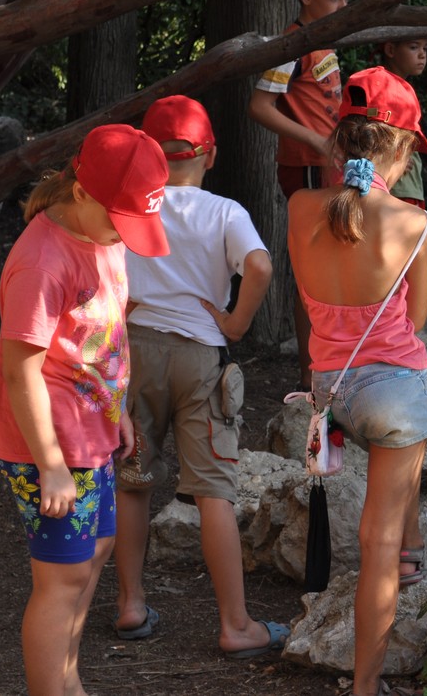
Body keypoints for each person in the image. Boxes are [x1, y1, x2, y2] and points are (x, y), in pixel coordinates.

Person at [0, 124, 169, 696]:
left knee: (94, 555)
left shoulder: (102, 234)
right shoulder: (42, 262)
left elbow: (102, 338)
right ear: (82, 192)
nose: (126, 235)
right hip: (51, 446)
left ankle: (68, 681)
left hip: (91, 433)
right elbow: (19, 371)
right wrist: (51, 464)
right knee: (62, 581)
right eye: (121, 220)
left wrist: (118, 409)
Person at [111, 95, 285, 658]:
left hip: (136, 354)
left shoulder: (129, 206)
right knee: (213, 491)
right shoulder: (226, 212)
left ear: (148, 155)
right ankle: (235, 625)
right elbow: (259, 265)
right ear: (209, 154)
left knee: (133, 479)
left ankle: (131, 604)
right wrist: (236, 323)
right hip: (199, 359)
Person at [287, 66, 427, 696]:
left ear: (338, 140)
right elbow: (416, 319)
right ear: (401, 150)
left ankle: (411, 544)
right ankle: (366, 687)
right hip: (392, 394)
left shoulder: (300, 208)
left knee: (391, 499)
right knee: (378, 542)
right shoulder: (413, 222)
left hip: (330, 388)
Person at [248, 0, 371, 392]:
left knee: (333, 261)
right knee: (314, 269)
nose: (343, 5)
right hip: (305, 167)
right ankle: (311, 373)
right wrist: (317, 142)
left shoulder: (323, 41)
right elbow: (259, 107)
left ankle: (327, 364)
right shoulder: (291, 46)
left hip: (327, 164)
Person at [379, 36, 427, 276]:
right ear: (390, 49)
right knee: (414, 268)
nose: (422, 55)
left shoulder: (402, 86)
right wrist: (389, 160)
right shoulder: (381, 86)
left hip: (411, 188)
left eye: (425, 48)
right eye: (414, 47)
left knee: (421, 267)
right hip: (397, 188)